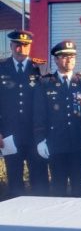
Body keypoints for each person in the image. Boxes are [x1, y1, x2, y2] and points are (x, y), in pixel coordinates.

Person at [33, 40, 81, 197]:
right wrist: (40, 139)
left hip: (78, 143)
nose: (69, 60)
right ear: (55, 59)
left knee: (78, 188)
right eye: (64, 56)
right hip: (55, 143)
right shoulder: (45, 82)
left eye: (72, 56)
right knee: (58, 188)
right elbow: (39, 114)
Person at [0, 30, 49, 197]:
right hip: (9, 135)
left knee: (40, 180)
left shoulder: (40, 68)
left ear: (30, 46)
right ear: (11, 46)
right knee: (14, 180)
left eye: (25, 46)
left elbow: (47, 102)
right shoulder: (1, 67)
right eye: (17, 45)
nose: (21, 49)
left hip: (35, 135)